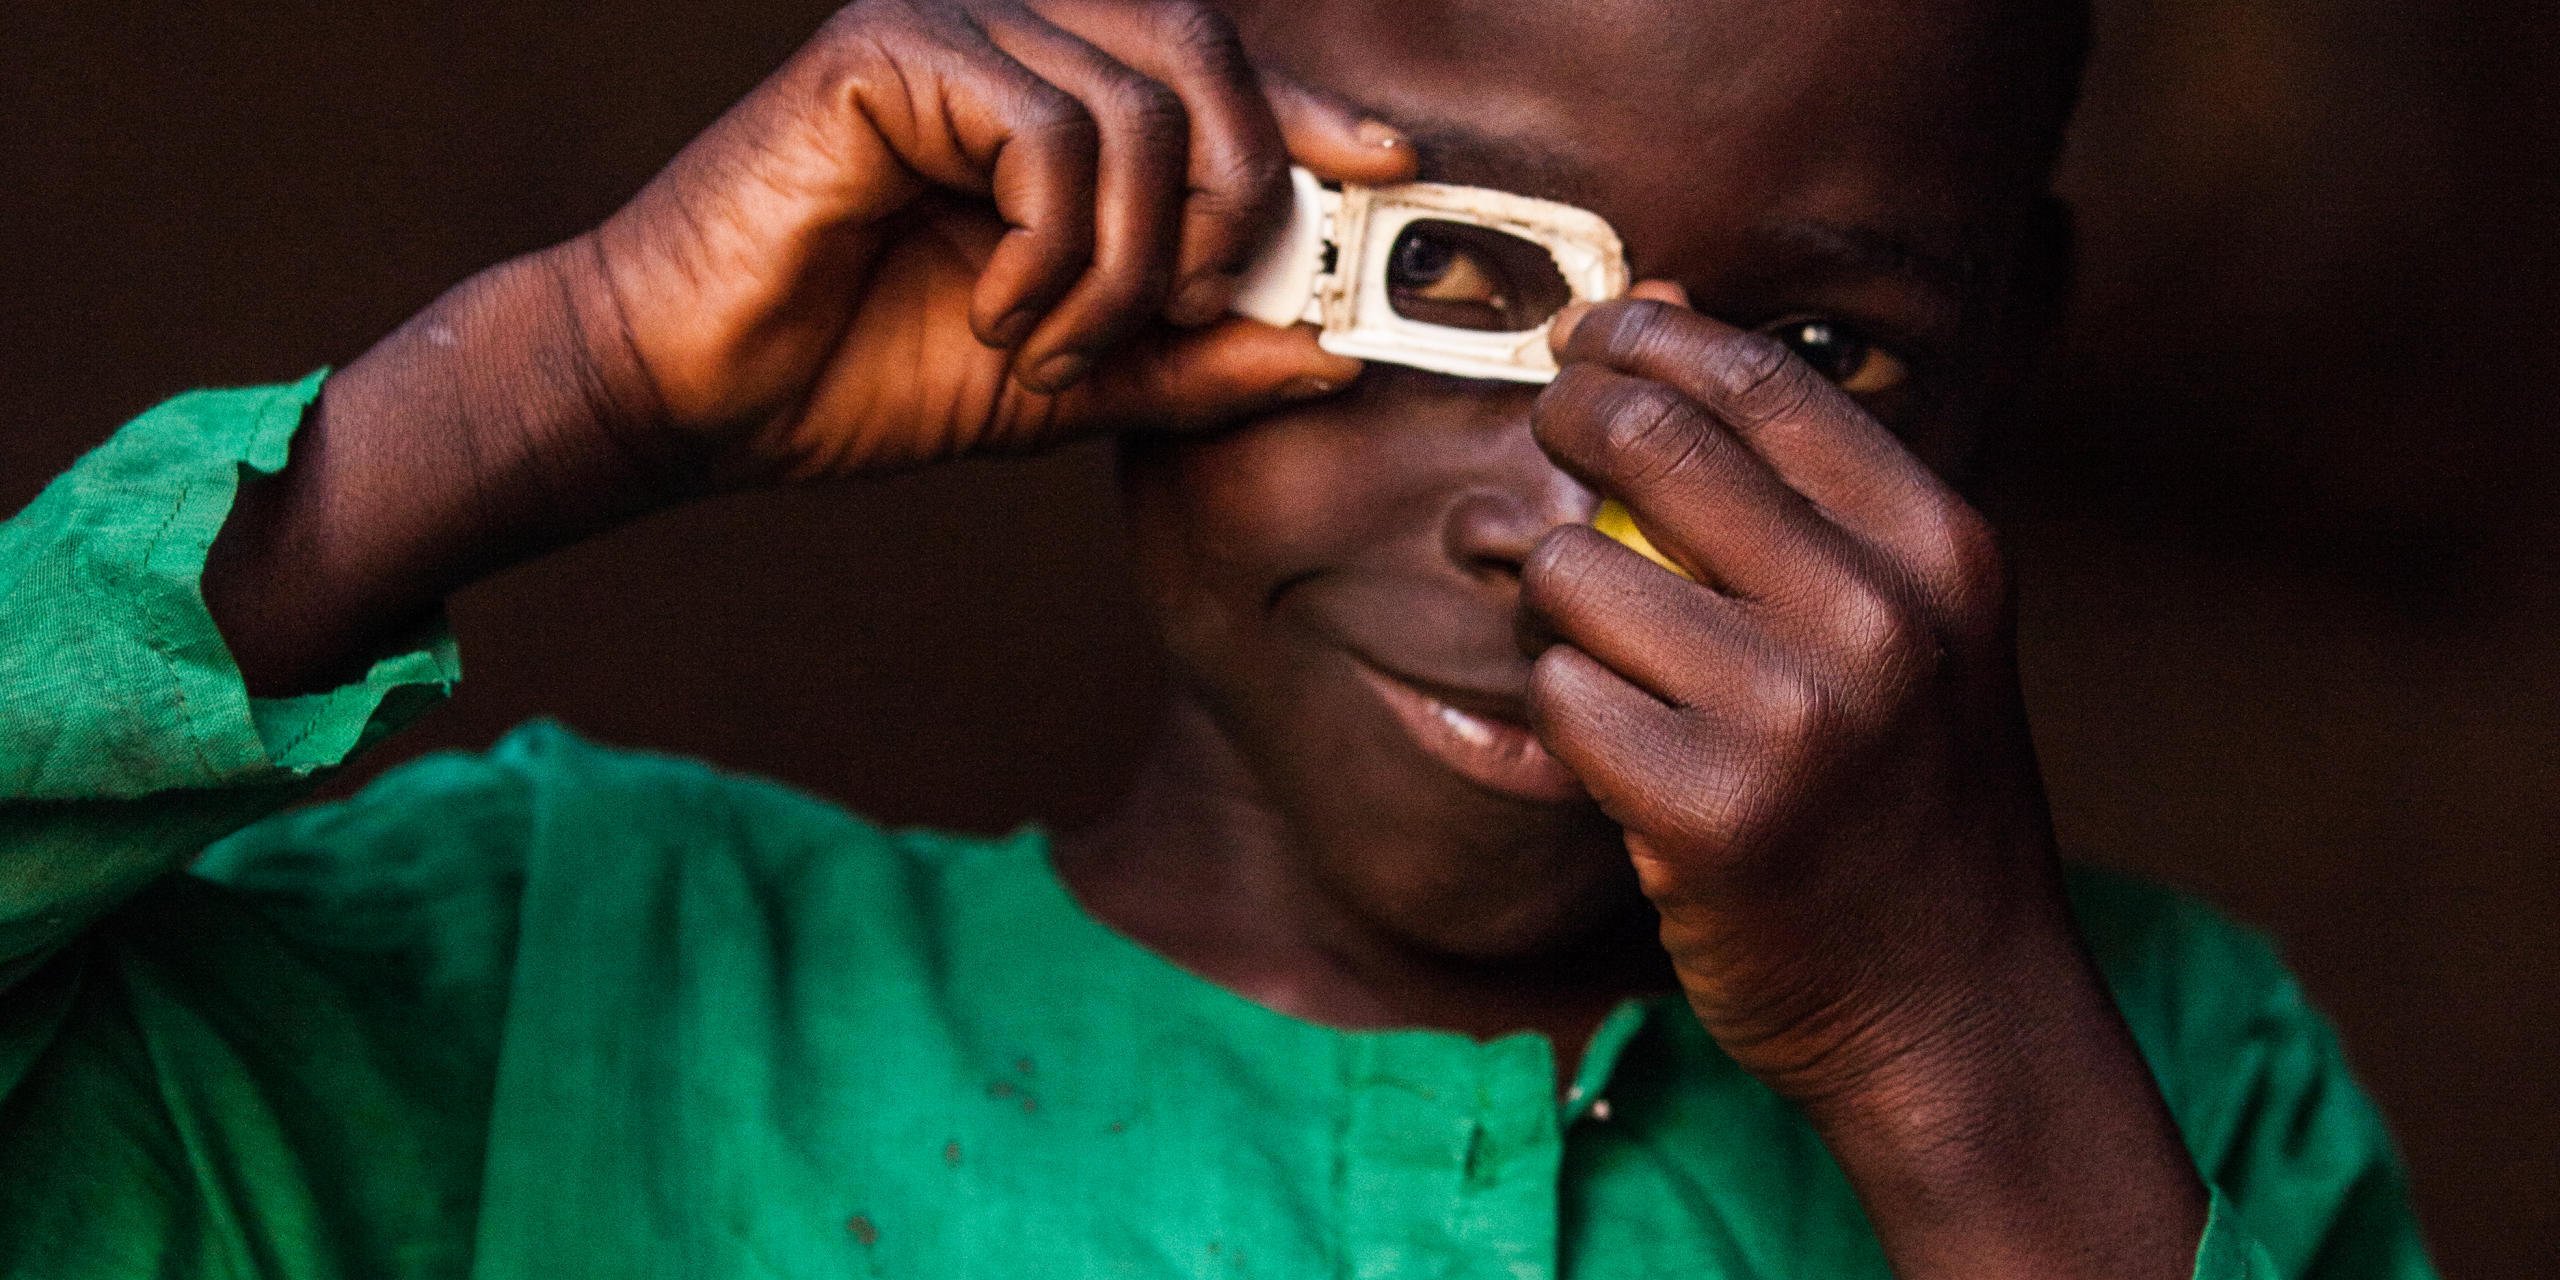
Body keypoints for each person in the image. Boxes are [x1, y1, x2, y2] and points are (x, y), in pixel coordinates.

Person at [0, 0, 2434, 1275]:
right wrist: (553, 382)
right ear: (1126, 171)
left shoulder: (2157, 1086)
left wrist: (1944, 1062)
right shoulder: (524, 1004)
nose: (1571, 516)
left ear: (2010, 356)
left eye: (1811, 368)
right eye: (1455, 269)